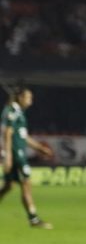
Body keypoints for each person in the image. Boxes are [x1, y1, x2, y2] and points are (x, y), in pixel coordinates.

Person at [1, 87, 55, 228]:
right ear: (20, 98)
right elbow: (7, 133)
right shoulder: (12, 111)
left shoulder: (18, 112)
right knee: (26, 183)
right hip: (15, 153)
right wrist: (7, 156)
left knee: (8, 186)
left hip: (15, 152)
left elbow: (23, 136)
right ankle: (34, 219)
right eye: (28, 98)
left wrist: (39, 148)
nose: (30, 101)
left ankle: (33, 219)